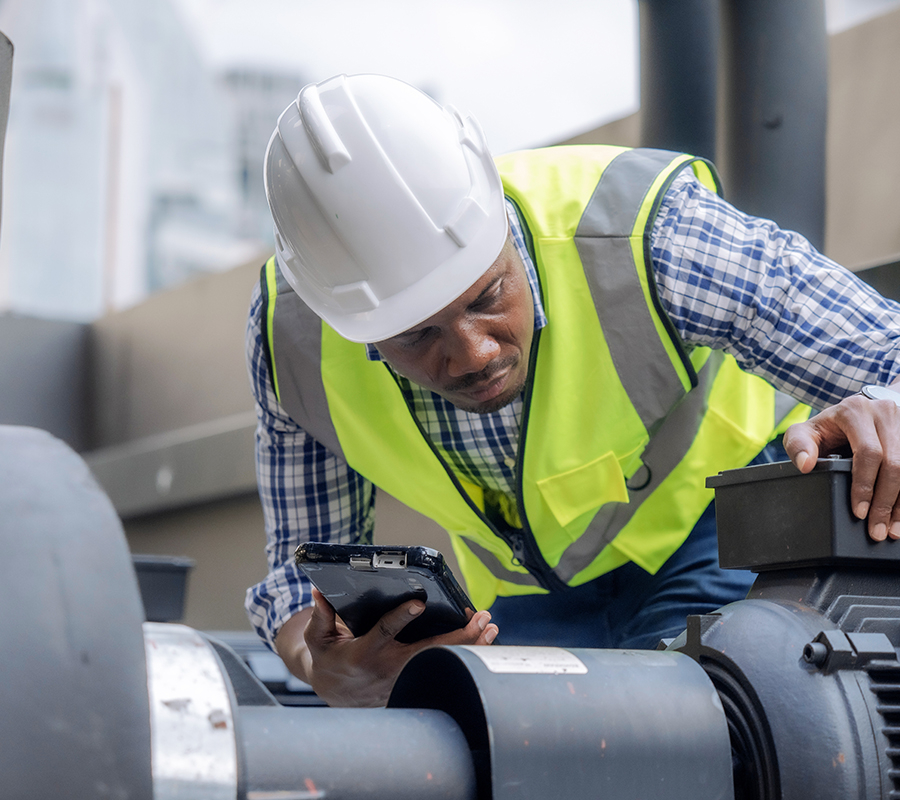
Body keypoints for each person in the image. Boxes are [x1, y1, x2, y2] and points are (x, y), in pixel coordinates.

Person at [245, 73, 900, 708]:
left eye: (488, 294)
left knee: (688, 738)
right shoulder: (292, 342)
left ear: (499, 220)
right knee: (514, 750)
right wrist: (320, 663)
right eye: (417, 336)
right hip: (536, 590)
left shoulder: (649, 235)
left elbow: (888, 350)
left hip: (721, 532)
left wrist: (886, 411)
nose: (474, 353)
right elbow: (299, 579)